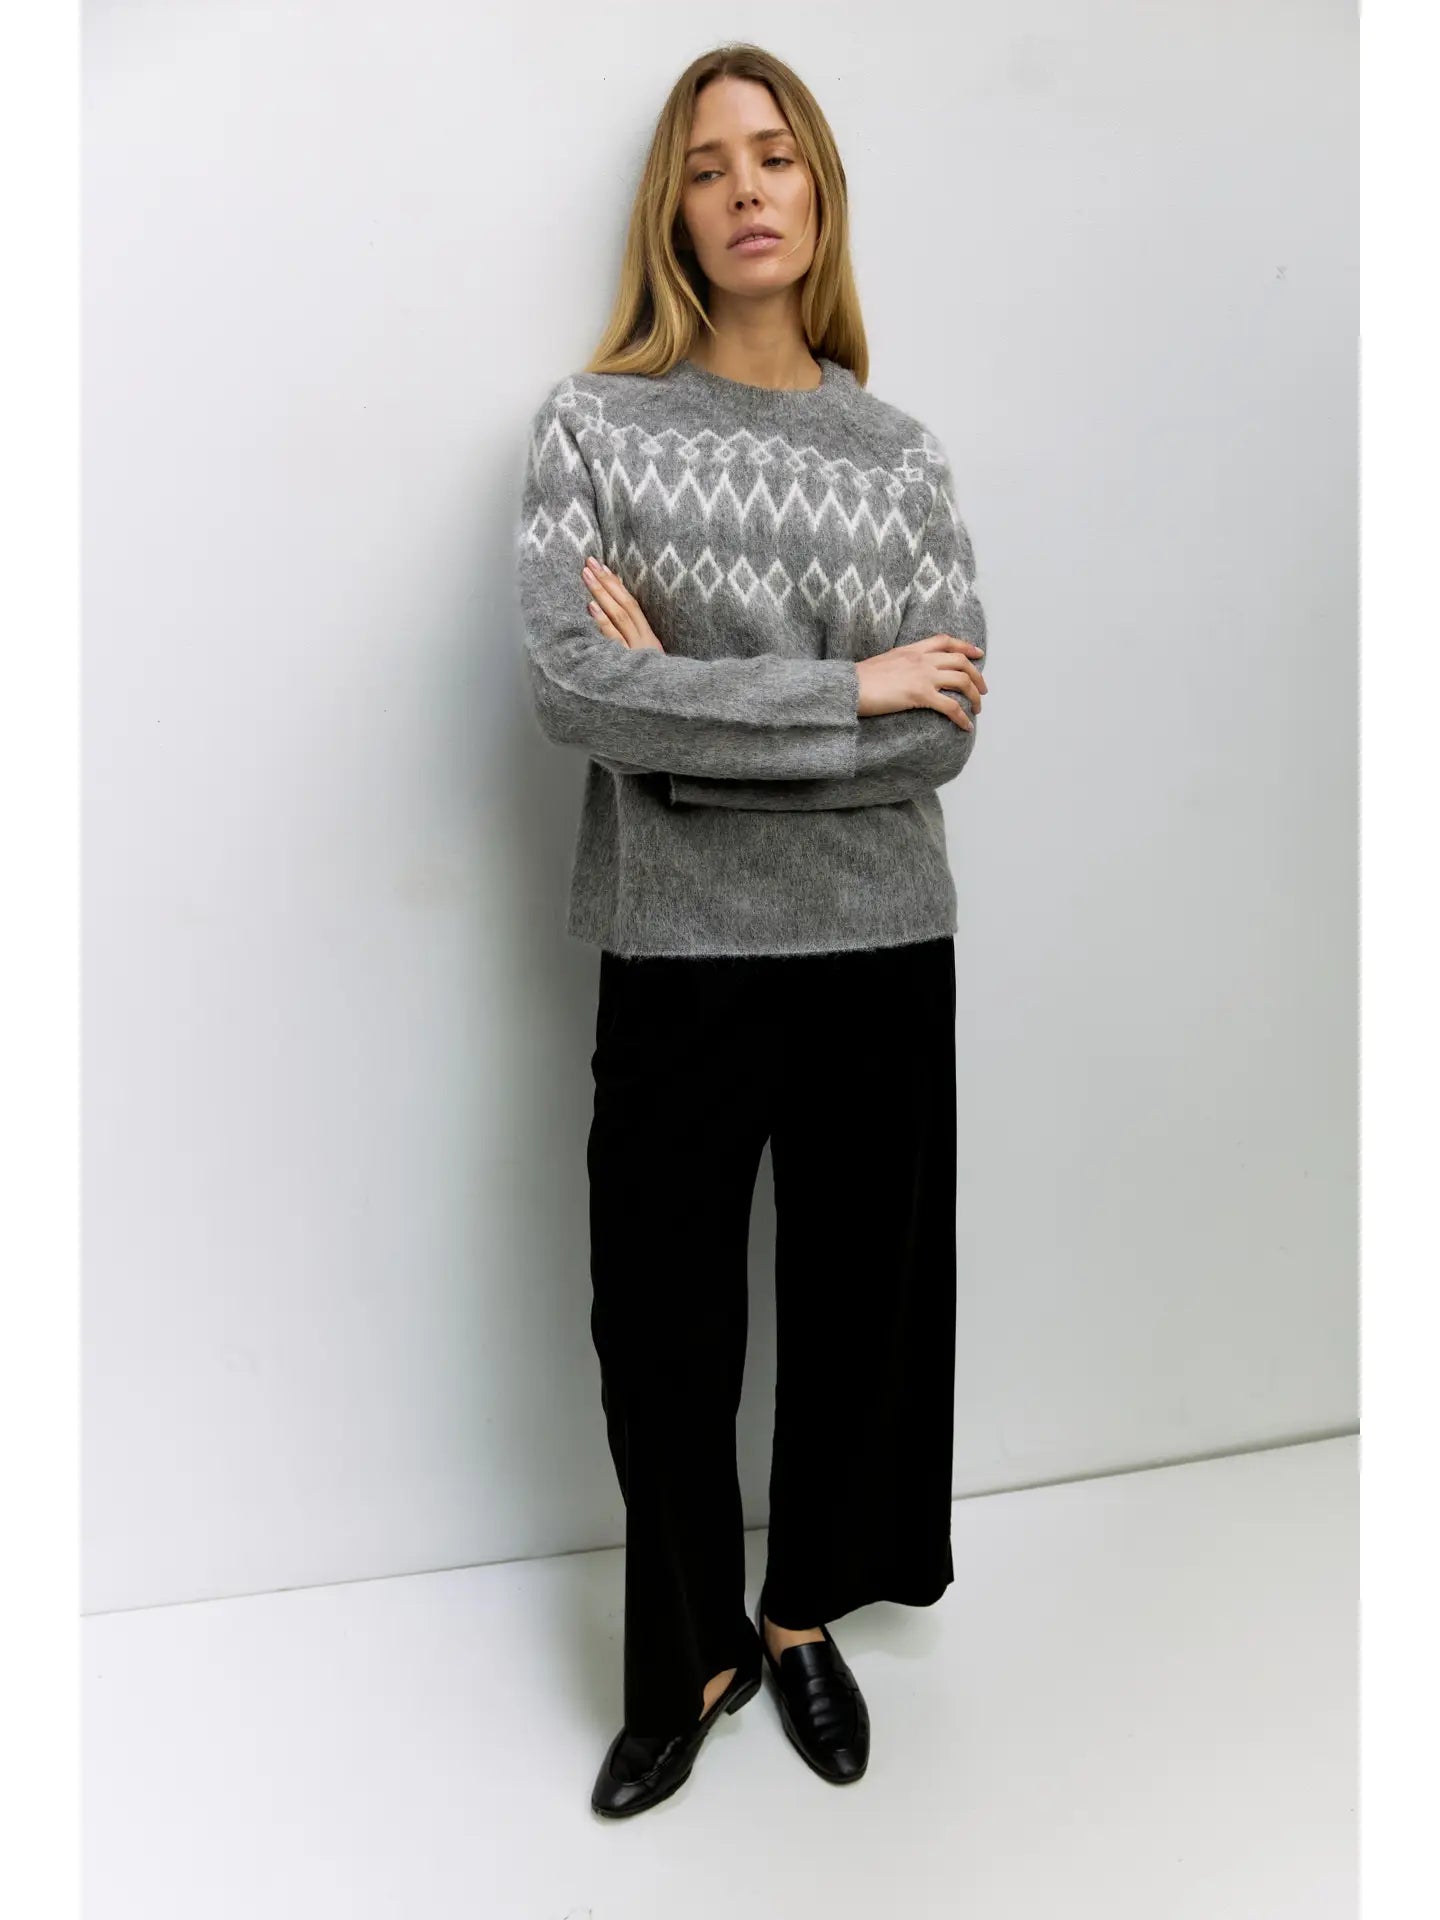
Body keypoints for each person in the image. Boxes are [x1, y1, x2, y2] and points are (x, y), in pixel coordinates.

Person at [513, 41, 991, 1819]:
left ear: (818, 190)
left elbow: (945, 734)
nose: (744, 189)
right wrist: (846, 688)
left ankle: (799, 1618)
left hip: (881, 945)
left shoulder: (900, 455)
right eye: (708, 165)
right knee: (660, 1332)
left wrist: (688, 730)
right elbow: (574, 688)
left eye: (773, 155)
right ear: (676, 210)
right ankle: (689, 1654)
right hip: (677, 953)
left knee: (864, 1318)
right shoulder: (593, 426)